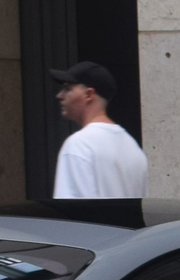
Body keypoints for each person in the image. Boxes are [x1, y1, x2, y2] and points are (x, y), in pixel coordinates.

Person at [49, 61, 148, 199]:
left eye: (68, 89)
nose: (59, 95)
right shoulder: (132, 146)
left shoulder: (79, 145)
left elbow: (72, 213)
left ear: (89, 94)